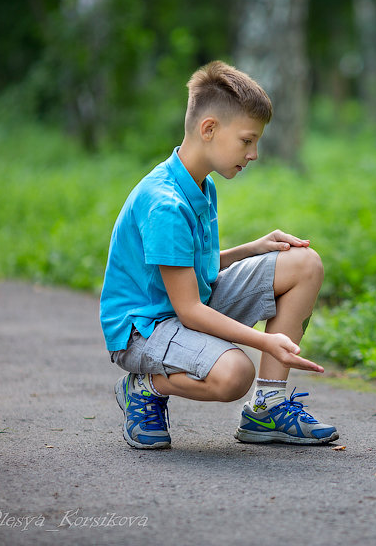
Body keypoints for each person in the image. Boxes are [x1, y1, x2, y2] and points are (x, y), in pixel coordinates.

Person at [99, 60, 337, 449]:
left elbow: (185, 269)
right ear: (209, 129)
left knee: (303, 263)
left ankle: (269, 406)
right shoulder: (166, 204)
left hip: (182, 305)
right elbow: (189, 309)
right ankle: (143, 387)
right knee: (234, 374)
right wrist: (265, 342)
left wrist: (252, 249)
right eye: (247, 140)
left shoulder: (200, 184)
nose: (254, 153)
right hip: (144, 331)